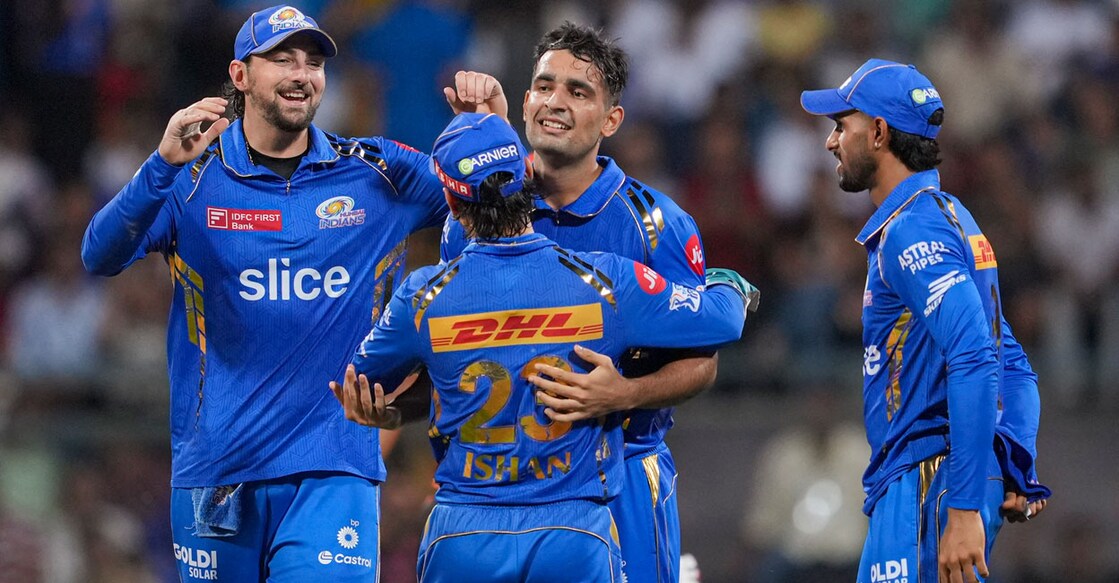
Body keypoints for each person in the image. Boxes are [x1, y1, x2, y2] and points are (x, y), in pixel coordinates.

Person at [81, 6, 454, 581]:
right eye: (281, 59)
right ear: (239, 77)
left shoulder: (379, 171)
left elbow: (495, 200)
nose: (301, 73)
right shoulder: (190, 177)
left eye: (313, 61)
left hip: (335, 470)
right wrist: (159, 165)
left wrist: (490, 129)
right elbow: (98, 255)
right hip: (217, 474)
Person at [331, 111, 755, 582]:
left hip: (464, 534)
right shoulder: (604, 282)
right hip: (572, 531)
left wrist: (387, 411)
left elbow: (360, 379)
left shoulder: (423, 297)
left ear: (452, 204)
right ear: (525, 181)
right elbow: (722, 320)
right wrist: (726, 281)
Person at [441, 23, 728, 582]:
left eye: (579, 91)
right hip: (498, 483)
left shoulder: (656, 227)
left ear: (612, 119)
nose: (556, 102)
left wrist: (625, 393)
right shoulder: (474, 214)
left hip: (621, 476)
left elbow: (703, 362)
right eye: (545, 86)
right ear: (524, 104)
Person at [799, 59, 1050, 583]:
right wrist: (1013, 463)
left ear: (880, 133)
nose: (831, 142)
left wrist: (960, 508)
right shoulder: (950, 214)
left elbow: (977, 357)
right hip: (940, 480)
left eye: (841, 126)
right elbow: (1013, 361)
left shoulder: (912, 233)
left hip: (929, 482)